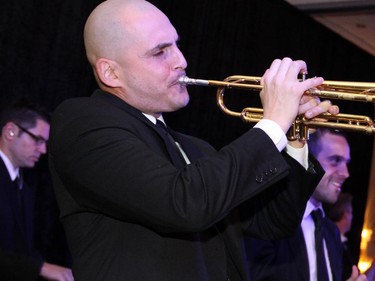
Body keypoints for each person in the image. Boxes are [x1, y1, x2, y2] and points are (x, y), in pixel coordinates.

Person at [48, 0, 340, 280]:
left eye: (176, 45)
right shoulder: (82, 123)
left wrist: (295, 136)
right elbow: (185, 204)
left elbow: (273, 223)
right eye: (160, 52)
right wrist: (273, 122)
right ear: (110, 72)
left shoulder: (195, 149)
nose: (182, 61)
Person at [246, 129, 367, 281]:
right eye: (335, 160)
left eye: (346, 163)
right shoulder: (268, 221)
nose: (345, 173)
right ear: (308, 160)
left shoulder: (332, 232)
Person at [0, 99, 74, 281]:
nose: (43, 150)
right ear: (11, 131)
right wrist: (40, 267)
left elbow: (20, 249)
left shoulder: (24, 188)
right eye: (38, 140)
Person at [325, 192, 356, 280]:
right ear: (345, 214)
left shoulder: (343, 245)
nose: (352, 217)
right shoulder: (332, 242)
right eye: (351, 212)